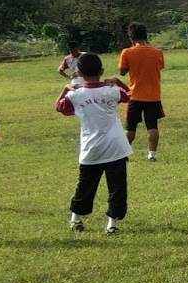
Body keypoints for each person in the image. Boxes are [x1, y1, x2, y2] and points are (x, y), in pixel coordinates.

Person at [57, 52, 131, 234]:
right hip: (116, 147)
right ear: (102, 71)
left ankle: (76, 219)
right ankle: (112, 224)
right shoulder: (112, 91)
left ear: (79, 73)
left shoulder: (76, 95)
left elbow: (59, 106)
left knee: (85, 186)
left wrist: (67, 89)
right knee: (117, 187)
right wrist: (118, 81)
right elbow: (129, 94)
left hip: (91, 149)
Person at [117, 23, 166, 160]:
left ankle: (124, 155)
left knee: (130, 127)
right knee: (152, 126)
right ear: (146, 36)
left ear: (131, 38)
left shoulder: (127, 52)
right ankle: (152, 154)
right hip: (153, 95)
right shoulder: (157, 52)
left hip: (135, 95)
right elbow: (159, 67)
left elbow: (122, 72)